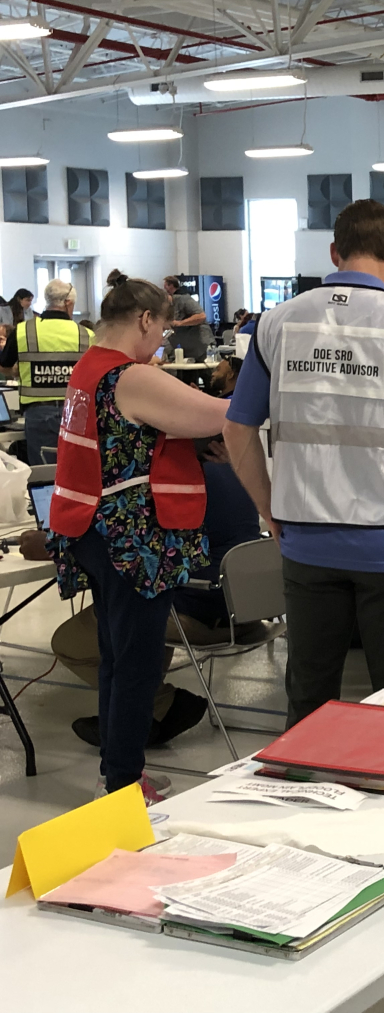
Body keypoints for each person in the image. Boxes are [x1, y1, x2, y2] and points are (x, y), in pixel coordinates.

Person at [223, 200, 384, 727]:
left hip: (306, 539)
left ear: (334, 252)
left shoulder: (276, 323)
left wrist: (270, 509)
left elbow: (237, 429)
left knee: (309, 695)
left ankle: (305, 795)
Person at [49, 271, 230, 802]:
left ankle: (117, 770)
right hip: (133, 540)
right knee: (138, 664)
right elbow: (218, 414)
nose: (162, 344)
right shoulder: (129, 376)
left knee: (116, 655)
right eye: (163, 332)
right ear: (146, 319)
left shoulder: (87, 369)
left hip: (92, 527)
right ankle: (126, 783)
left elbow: (124, 438)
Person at [1, 278, 93, 465]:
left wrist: (19, 371)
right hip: (78, 413)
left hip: (38, 413)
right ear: (68, 302)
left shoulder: (23, 331)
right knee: (77, 470)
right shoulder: (86, 334)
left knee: (45, 472)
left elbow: (4, 364)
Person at [163, 276, 211, 361]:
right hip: (183, 350)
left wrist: (180, 323)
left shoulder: (183, 299)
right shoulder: (164, 309)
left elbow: (201, 316)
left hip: (200, 348)